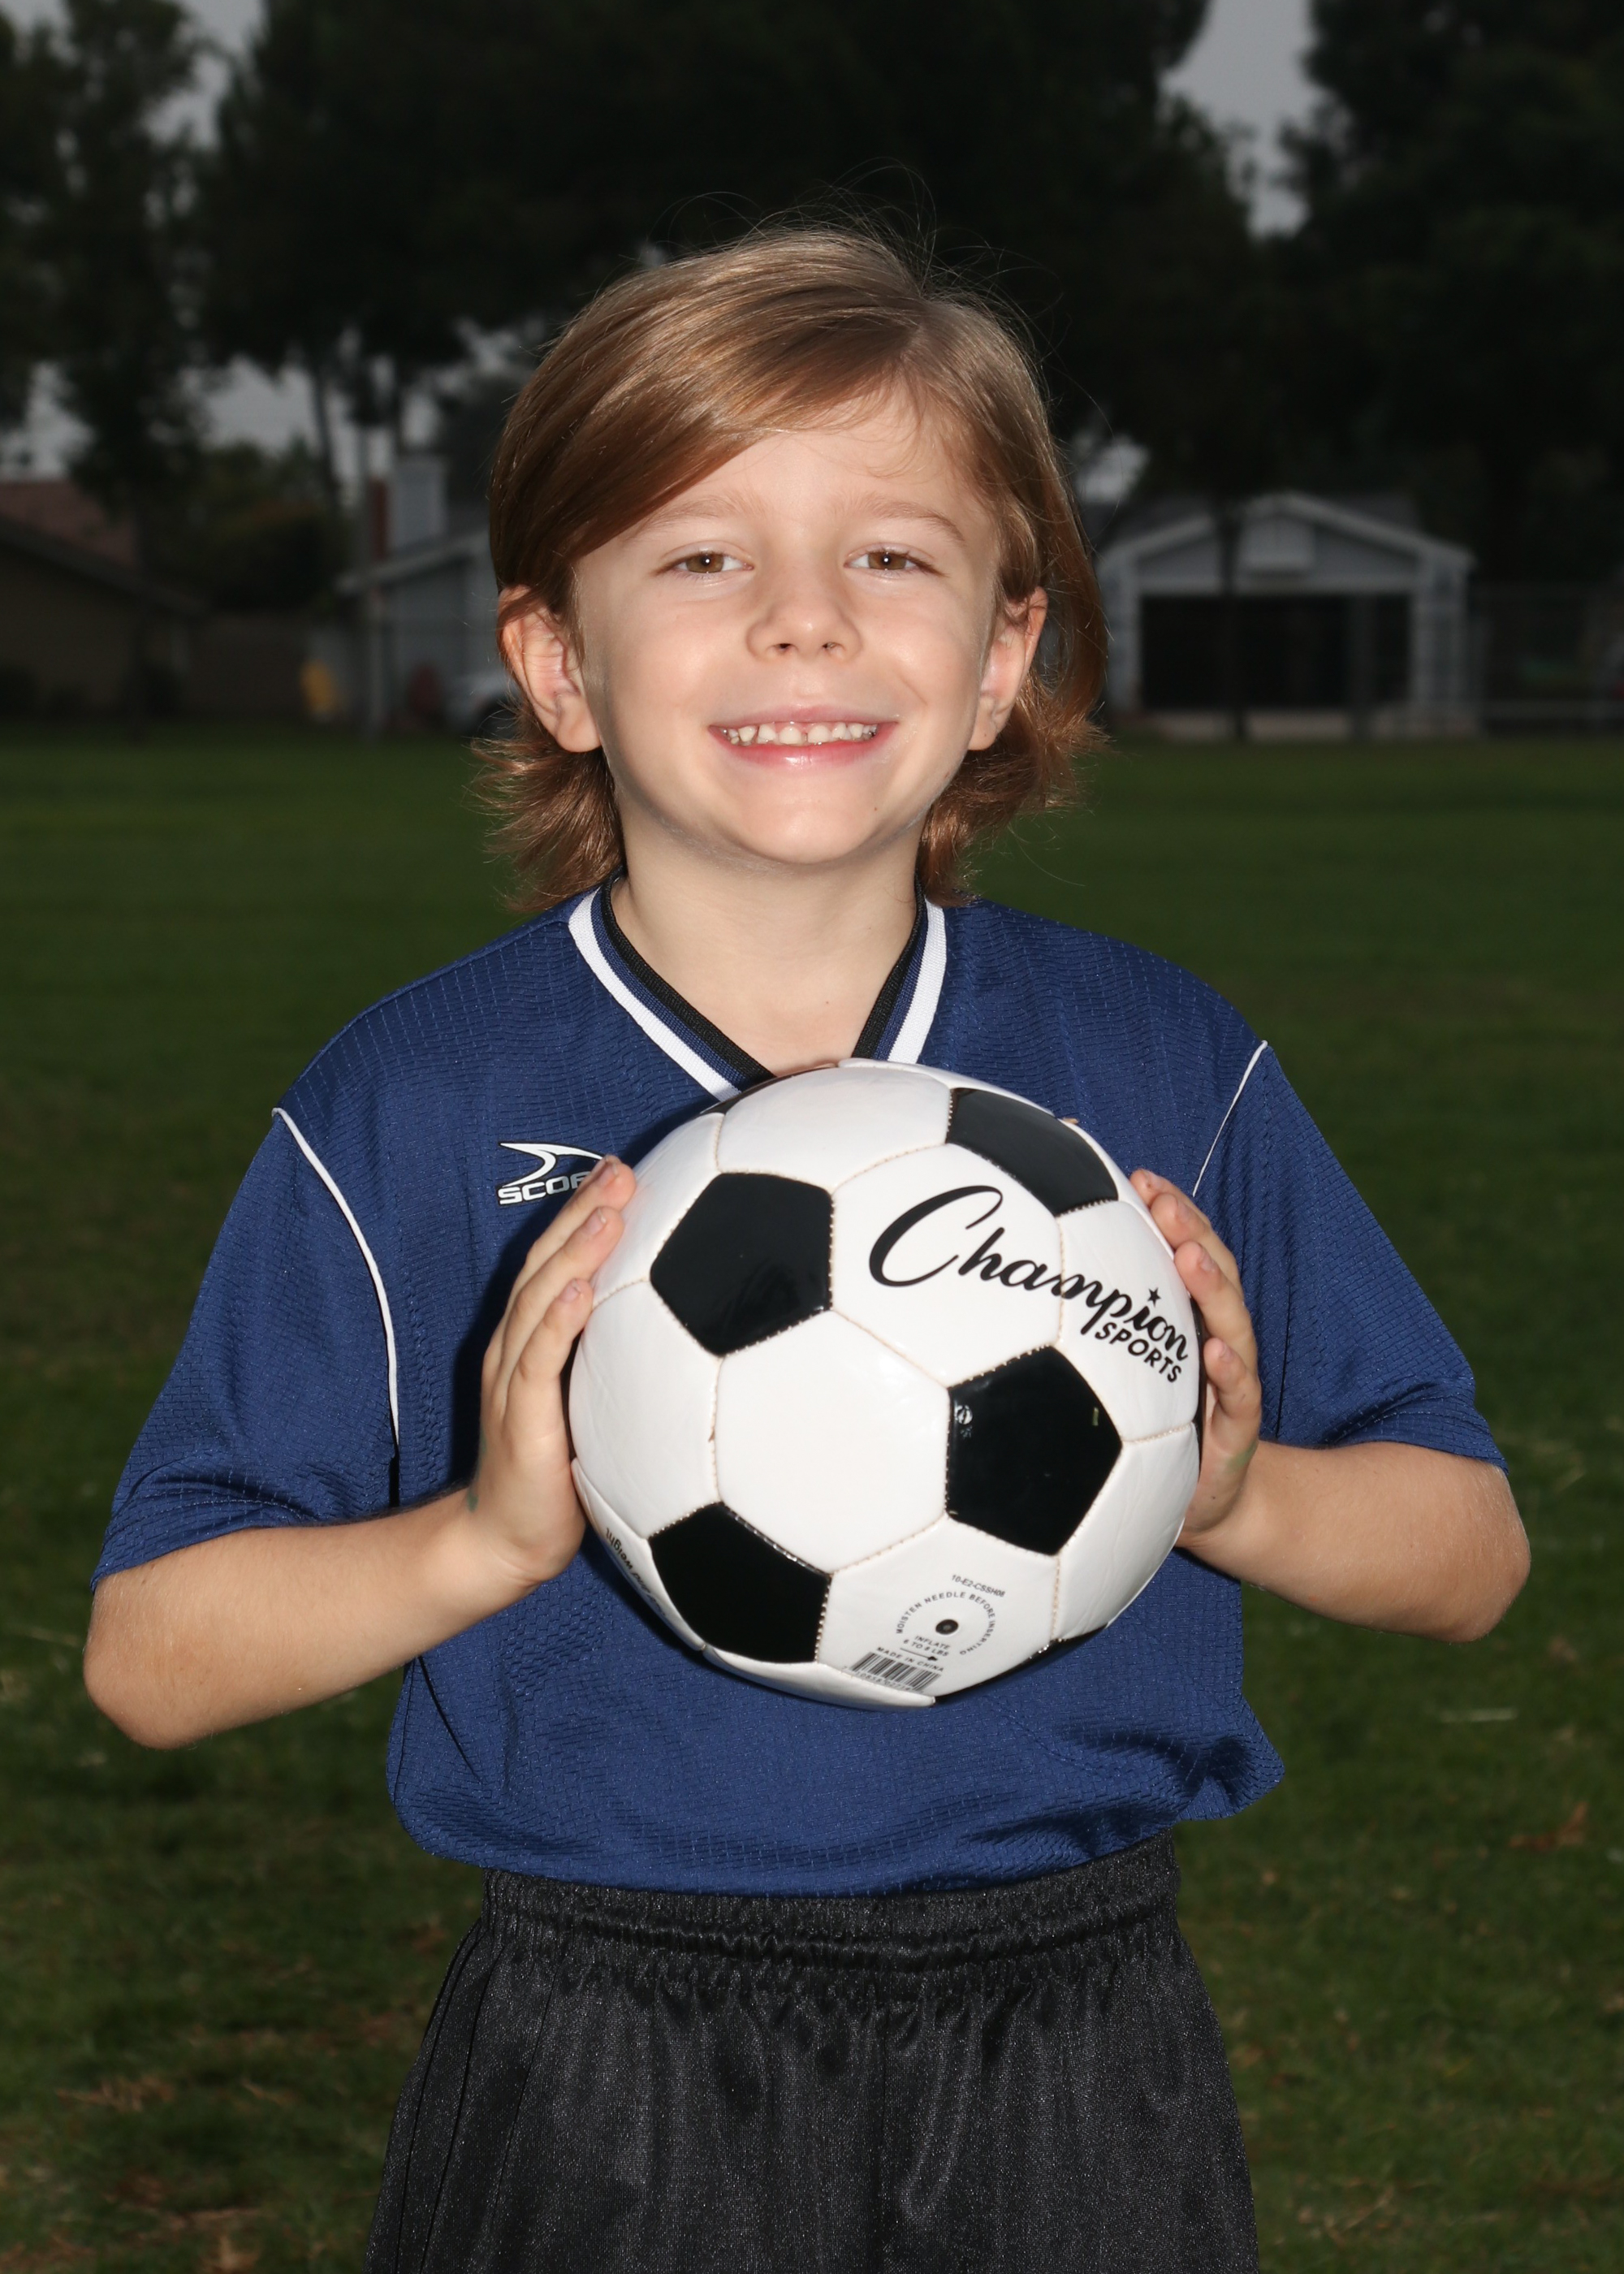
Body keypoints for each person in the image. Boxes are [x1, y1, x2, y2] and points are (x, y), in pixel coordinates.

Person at [84, 229, 1528, 2274]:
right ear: (557, 664)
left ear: (1005, 652)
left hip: (1075, 2043)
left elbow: (1469, 1552)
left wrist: (1230, 1492)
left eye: (890, 555)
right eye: (702, 555)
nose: (801, 620)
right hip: (604, 2057)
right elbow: (151, 1657)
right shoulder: (411, 1100)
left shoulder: (1157, 1067)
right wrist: (479, 1540)